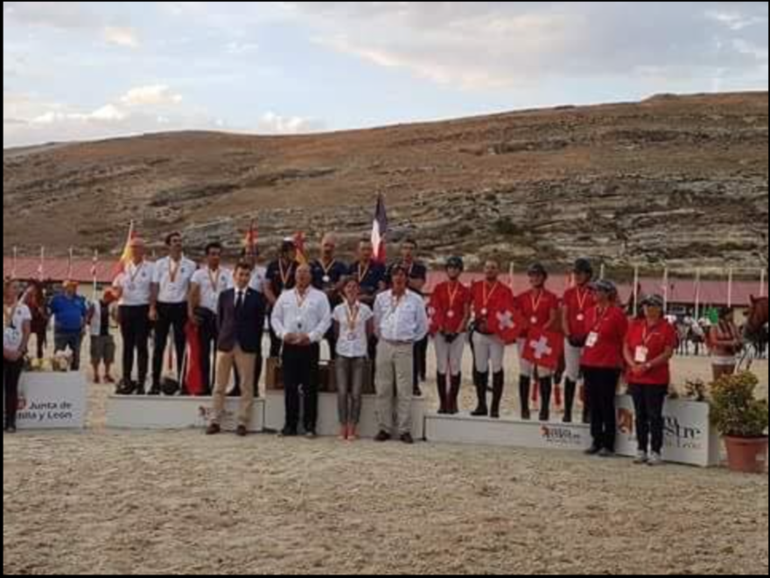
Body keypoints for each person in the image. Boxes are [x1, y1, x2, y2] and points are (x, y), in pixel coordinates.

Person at [206, 262, 267, 437]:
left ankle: (242, 422)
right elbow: (220, 321)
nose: (243, 278)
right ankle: (214, 420)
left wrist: (252, 343)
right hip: (225, 344)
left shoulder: (257, 297)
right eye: (241, 274)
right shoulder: (224, 296)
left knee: (246, 386)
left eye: (247, 275)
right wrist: (223, 338)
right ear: (234, 276)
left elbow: (259, 324)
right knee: (219, 384)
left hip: (246, 346)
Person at [271, 264, 332, 438]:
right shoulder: (285, 296)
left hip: (309, 347)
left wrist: (311, 336)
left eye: (305, 272)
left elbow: (325, 320)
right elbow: (275, 318)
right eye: (299, 272)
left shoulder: (320, 296)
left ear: (311, 276)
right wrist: (283, 334)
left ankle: (309, 426)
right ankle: (289, 425)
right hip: (289, 346)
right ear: (294, 276)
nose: (302, 275)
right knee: (290, 387)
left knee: (310, 387)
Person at [373, 265, 429, 444]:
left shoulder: (415, 300)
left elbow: (422, 325)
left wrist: (410, 340)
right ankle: (384, 428)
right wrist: (384, 339)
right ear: (391, 278)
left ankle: (404, 429)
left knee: (404, 389)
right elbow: (376, 323)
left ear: (406, 278)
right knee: (383, 388)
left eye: (402, 275)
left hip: (405, 346)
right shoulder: (381, 298)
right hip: (385, 345)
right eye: (395, 274)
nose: (398, 277)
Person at [624, 295, 677, 467]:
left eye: (651, 306)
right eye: (645, 305)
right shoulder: (635, 324)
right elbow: (625, 346)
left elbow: (668, 352)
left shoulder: (667, 328)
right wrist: (632, 365)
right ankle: (641, 449)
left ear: (659, 308)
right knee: (639, 415)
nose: (647, 308)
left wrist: (647, 365)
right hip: (636, 376)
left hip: (655, 378)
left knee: (654, 415)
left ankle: (656, 451)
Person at [581, 280, 629, 457]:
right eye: (592, 290)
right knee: (592, 403)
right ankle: (596, 439)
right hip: (590, 362)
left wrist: (625, 366)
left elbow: (624, 340)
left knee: (606, 403)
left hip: (608, 364)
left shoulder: (617, 314)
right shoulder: (589, 312)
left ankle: (609, 443)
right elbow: (588, 335)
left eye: (597, 290)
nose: (593, 293)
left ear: (608, 293)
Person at [150, 232, 197, 395]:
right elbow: (155, 286)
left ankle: (183, 384)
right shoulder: (159, 264)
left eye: (179, 241)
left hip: (181, 307)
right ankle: (155, 383)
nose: (178, 244)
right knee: (158, 346)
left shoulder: (190, 264)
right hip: (163, 306)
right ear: (168, 245)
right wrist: (152, 307)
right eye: (174, 241)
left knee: (181, 346)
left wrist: (191, 310)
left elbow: (192, 290)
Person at [469, 260, 515, 418]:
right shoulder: (475, 287)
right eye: (487, 267)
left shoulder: (505, 290)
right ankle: (481, 404)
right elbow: (467, 305)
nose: (490, 270)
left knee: (497, 368)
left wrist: (491, 324)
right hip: (479, 333)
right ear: (483, 269)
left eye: (493, 268)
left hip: (496, 335)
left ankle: (495, 407)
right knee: (480, 368)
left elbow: (508, 312)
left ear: (498, 271)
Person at [516, 263, 560, 422]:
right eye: (532, 275)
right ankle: (524, 408)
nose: (535, 278)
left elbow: (553, 317)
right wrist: (528, 329)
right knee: (524, 372)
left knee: (544, 374)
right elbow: (518, 316)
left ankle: (544, 409)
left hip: (542, 338)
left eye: (538, 275)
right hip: (525, 338)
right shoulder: (522, 297)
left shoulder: (551, 297)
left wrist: (539, 331)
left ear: (544, 277)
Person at [332, 278, 375, 441]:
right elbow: (336, 332)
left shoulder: (365, 310)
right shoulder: (337, 309)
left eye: (354, 287)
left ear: (359, 290)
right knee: (342, 392)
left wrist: (359, 342)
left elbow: (370, 331)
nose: (351, 289)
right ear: (344, 290)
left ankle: (352, 426)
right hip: (342, 353)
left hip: (358, 354)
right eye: (348, 287)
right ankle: (342, 425)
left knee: (356, 393)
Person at [189, 242, 233, 395]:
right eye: (212, 254)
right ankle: (204, 386)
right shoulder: (198, 274)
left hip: (221, 318)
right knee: (204, 354)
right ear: (207, 256)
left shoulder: (227, 273)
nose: (216, 257)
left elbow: (230, 296)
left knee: (220, 354)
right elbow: (191, 294)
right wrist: (190, 314)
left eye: (218, 254)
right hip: (205, 317)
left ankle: (217, 386)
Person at [429, 257, 471, 415]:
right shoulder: (439, 288)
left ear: (460, 271)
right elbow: (435, 308)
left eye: (456, 268)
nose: (453, 270)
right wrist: (441, 328)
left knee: (455, 366)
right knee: (441, 366)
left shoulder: (465, 290)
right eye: (450, 268)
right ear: (446, 270)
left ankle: (452, 401)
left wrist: (457, 331)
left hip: (457, 334)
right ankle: (442, 402)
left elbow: (466, 313)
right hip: (441, 333)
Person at [113, 238, 155, 395]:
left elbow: (153, 289)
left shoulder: (151, 267)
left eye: (137, 247)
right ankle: (126, 380)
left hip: (142, 309)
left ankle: (141, 382)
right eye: (132, 247)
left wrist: (152, 308)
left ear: (143, 250)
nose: (134, 250)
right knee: (127, 346)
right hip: (126, 308)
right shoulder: (123, 267)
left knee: (141, 346)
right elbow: (116, 289)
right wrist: (116, 296)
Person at [387, 239, 428, 396]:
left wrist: (402, 277)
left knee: (415, 350)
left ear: (415, 252)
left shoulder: (419, 268)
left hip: (413, 310)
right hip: (396, 308)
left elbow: (418, 285)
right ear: (401, 250)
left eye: (411, 248)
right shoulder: (392, 266)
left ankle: (414, 384)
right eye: (405, 248)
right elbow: (388, 285)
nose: (408, 251)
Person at [561, 258, 596, 424]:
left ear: (588, 275)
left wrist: (587, 336)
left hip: (589, 340)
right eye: (575, 273)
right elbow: (564, 317)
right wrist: (568, 335)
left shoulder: (594, 292)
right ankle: (567, 411)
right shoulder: (568, 293)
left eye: (580, 273)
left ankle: (587, 412)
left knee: (589, 376)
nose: (577, 276)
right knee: (571, 374)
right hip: (571, 339)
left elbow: (597, 316)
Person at [348, 238, 387, 374]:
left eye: (369, 249)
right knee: (354, 341)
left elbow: (382, 289)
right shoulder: (352, 267)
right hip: (354, 312)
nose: (366, 252)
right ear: (357, 251)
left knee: (372, 343)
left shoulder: (379, 267)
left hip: (371, 309)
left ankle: (373, 376)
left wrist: (369, 297)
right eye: (363, 249)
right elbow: (347, 288)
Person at [311, 233, 348, 360]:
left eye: (331, 246)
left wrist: (333, 289)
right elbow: (308, 283)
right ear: (320, 246)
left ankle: (334, 375)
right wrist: (321, 294)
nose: (328, 249)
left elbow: (343, 281)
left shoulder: (340, 266)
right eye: (326, 245)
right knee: (313, 341)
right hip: (315, 309)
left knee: (333, 341)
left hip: (333, 308)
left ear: (335, 248)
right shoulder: (312, 265)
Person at [4, 279, 32, 434]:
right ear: (6, 289)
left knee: (11, 389)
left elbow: (27, 331)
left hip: (16, 354)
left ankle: (10, 422)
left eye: (19, 288)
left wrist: (20, 351)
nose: (17, 290)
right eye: (14, 287)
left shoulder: (24, 308)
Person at [265, 239, 299, 359]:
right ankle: (272, 372)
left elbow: (299, 287)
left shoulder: (297, 266)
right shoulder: (272, 266)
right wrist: (277, 303)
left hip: (291, 309)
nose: (295, 253)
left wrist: (289, 304)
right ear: (284, 253)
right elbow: (267, 288)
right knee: (275, 342)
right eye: (292, 251)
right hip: (275, 308)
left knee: (290, 341)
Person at [49, 280, 88, 371]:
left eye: (75, 287)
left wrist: (84, 327)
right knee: (59, 354)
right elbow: (49, 312)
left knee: (76, 355)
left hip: (76, 332)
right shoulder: (56, 299)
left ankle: (74, 374)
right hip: (61, 332)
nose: (74, 288)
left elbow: (85, 314)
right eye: (72, 286)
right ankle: (57, 373)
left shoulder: (80, 299)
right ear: (65, 288)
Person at [87, 288, 117, 384]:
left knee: (109, 355)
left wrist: (115, 316)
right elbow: (88, 317)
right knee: (96, 355)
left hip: (109, 333)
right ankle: (96, 374)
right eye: (111, 298)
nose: (113, 300)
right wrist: (88, 324)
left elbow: (116, 318)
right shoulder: (94, 304)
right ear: (106, 296)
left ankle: (106, 374)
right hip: (97, 334)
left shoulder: (112, 306)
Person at [709, 306, 743, 381]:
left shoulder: (733, 326)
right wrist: (729, 343)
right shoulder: (715, 326)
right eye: (730, 314)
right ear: (725, 315)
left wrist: (739, 342)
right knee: (717, 381)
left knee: (729, 381)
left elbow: (739, 337)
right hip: (719, 356)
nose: (732, 316)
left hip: (731, 356)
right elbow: (713, 341)